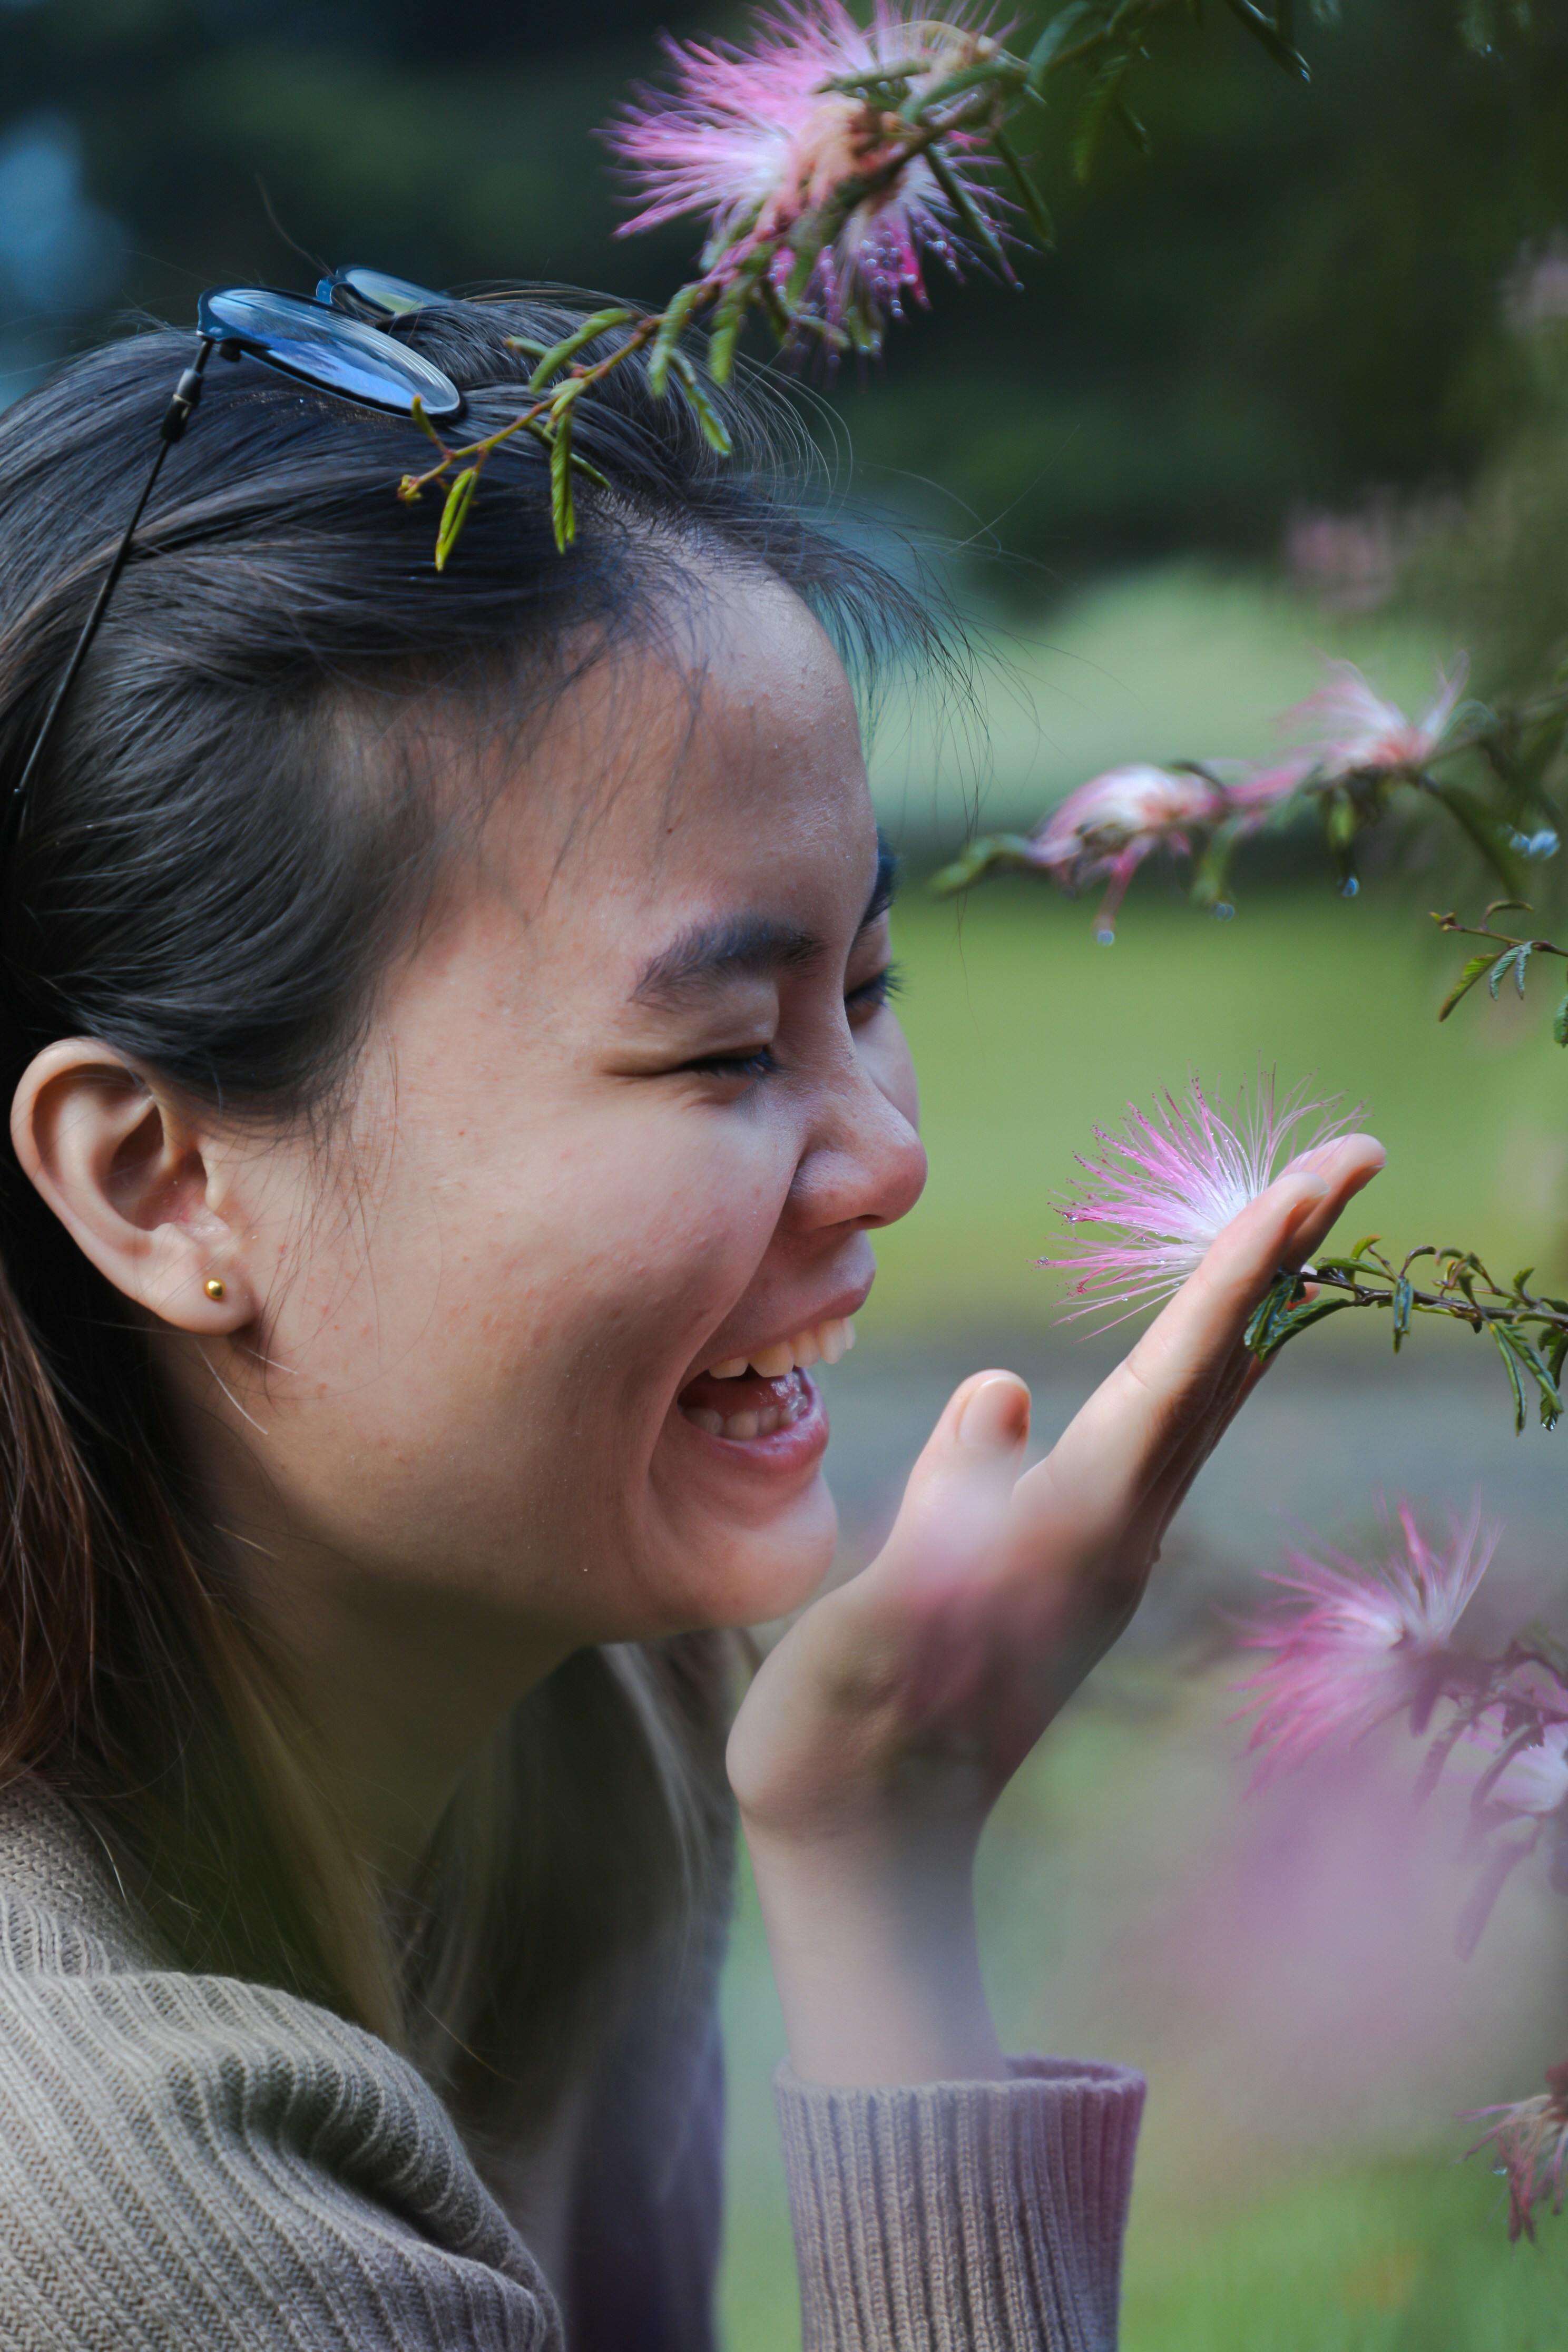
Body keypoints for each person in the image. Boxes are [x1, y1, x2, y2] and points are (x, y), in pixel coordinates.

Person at [0, 290, 1382, 2350]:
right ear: (158, 1182)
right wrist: (885, 1867)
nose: (889, 1154)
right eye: (727, 1049)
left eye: (872, 991)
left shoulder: (591, 1717)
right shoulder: (118, 2200)